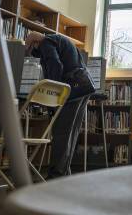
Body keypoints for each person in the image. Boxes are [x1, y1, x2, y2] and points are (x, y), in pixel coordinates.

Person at [25, 31, 91, 178]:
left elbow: (55, 65)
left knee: (61, 133)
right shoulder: (58, 40)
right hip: (83, 87)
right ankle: (63, 174)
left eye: (32, 49)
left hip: (71, 91)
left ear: (35, 43)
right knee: (70, 134)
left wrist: (51, 90)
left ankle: (55, 176)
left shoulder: (46, 43)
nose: (35, 54)